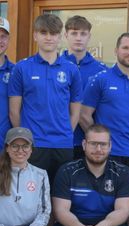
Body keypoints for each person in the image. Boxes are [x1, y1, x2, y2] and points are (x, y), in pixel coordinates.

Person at [8, 14, 82, 182]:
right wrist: (25, 138)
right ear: (35, 35)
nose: (49, 38)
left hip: (62, 145)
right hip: (33, 145)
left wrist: (65, 134)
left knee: (60, 194)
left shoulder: (71, 69)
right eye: (43, 33)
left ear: (60, 37)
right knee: (31, 192)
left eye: (53, 33)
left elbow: (76, 112)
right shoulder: (21, 68)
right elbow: (14, 111)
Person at [80, 32, 129, 185]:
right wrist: (100, 141)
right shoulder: (100, 79)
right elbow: (84, 115)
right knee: (105, 195)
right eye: (125, 48)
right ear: (116, 50)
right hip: (106, 153)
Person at [61, 15, 106, 156]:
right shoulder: (55, 65)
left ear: (89, 36)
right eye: (74, 33)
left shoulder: (101, 70)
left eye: (83, 34)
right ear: (66, 35)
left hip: (91, 144)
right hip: (60, 140)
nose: (78, 38)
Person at [0, 17, 15, 143]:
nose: (0, 40)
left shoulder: (16, 71)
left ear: (9, 39)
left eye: (3, 36)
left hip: (7, 145)